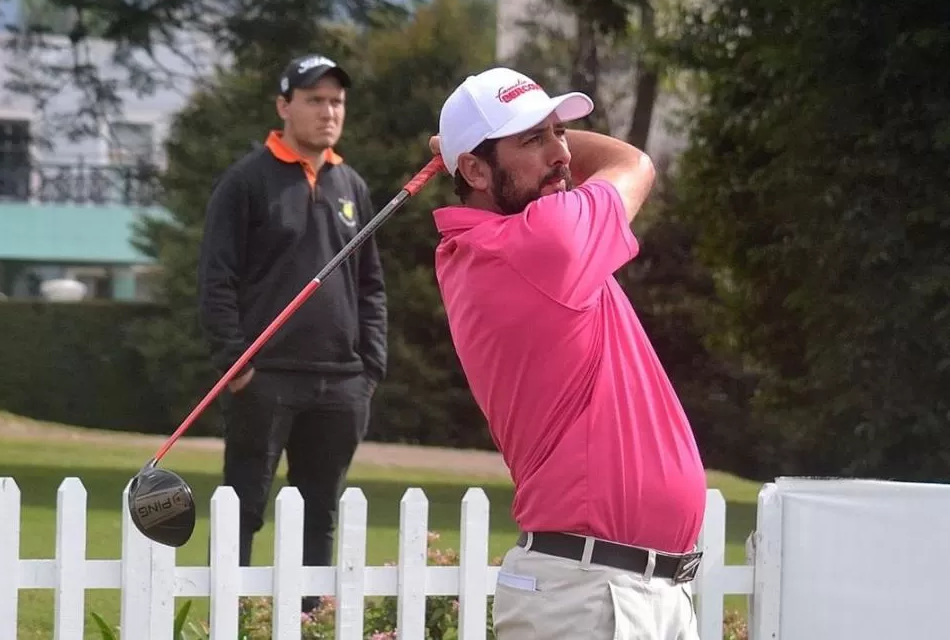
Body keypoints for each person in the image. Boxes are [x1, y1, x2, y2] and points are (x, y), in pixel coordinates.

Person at [428, 67, 707, 638]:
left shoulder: (504, 245)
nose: (559, 154)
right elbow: (634, 164)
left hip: (628, 589)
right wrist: (460, 146)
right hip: (587, 595)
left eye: (559, 132)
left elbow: (559, 168)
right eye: (533, 139)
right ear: (476, 171)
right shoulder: (545, 242)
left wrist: (476, 148)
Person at [196, 54, 387, 612]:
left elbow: (371, 284)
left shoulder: (351, 183)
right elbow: (216, 279)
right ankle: (233, 621)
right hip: (264, 378)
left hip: (342, 383)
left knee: (319, 511)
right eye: (314, 100)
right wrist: (236, 361)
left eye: (337, 101)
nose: (328, 112)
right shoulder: (245, 182)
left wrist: (370, 369)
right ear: (284, 107)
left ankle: (309, 622)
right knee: (244, 506)